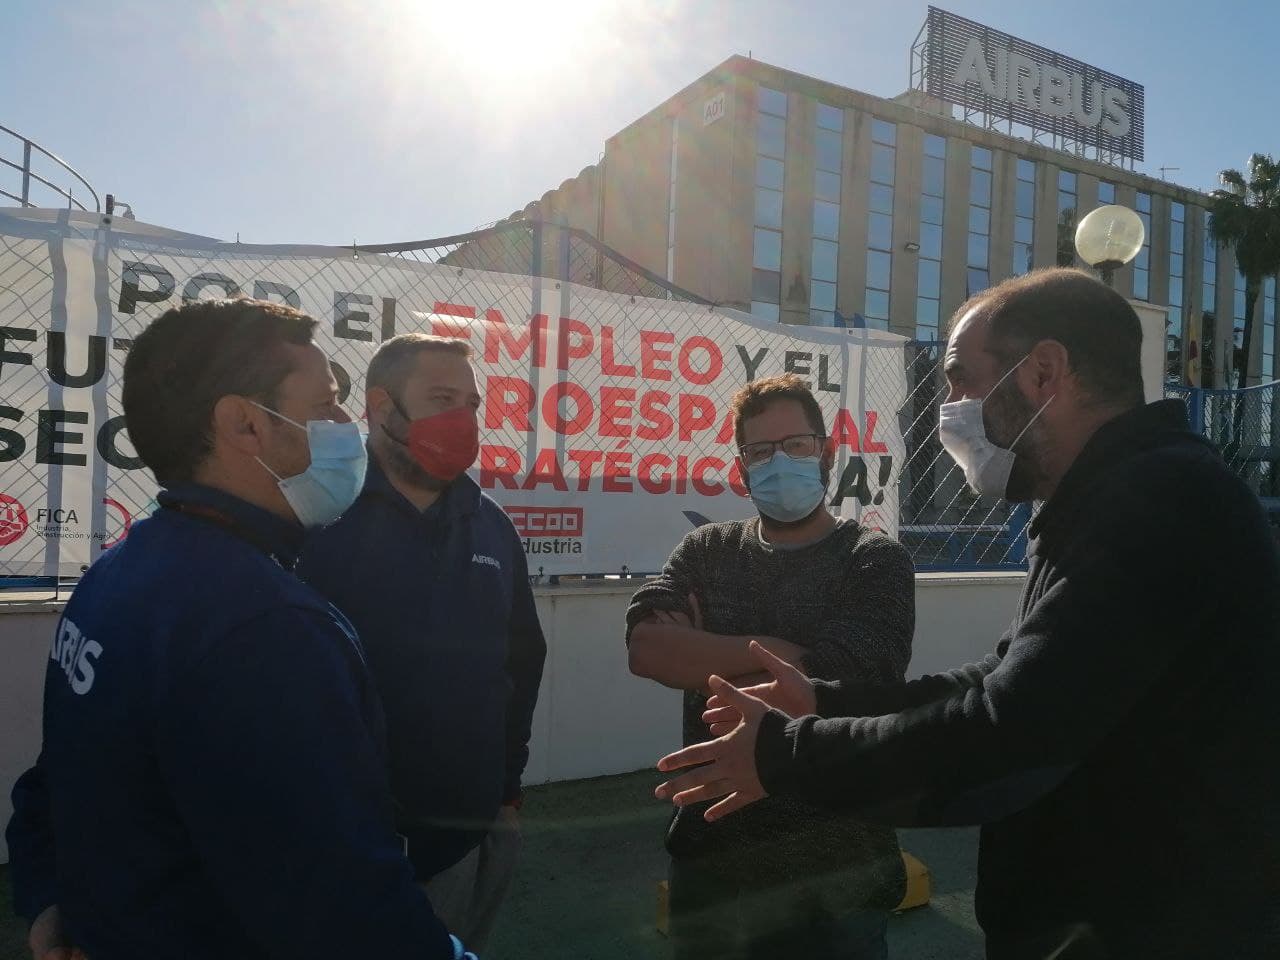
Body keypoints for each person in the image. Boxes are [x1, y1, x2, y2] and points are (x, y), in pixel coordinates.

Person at [654, 269, 1280, 960]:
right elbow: (1001, 679)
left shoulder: (1161, 501)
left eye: (961, 379)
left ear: (1044, 372)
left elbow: (1007, 733)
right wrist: (825, 702)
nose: (948, 407)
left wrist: (783, 754)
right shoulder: (1108, 500)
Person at [5, 299, 477, 960]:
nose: (346, 425)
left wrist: (52, 899)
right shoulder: (266, 626)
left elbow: (53, 788)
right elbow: (343, 908)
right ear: (246, 424)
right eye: (325, 405)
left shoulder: (119, 571)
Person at [626, 373, 915, 960]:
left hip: (839, 864)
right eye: (761, 451)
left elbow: (854, 677)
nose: (779, 462)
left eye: (797, 445)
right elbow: (648, 649)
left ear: (826, 452)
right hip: (714, 859)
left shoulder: (874, 559)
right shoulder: (706, 550)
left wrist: (707, 648)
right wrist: (780, 651)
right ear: (742, 466)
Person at [297, 334, 546, 950]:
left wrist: (506, 791)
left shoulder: (490, 522)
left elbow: (521, 660)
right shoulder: (318, 519)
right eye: (441, 398)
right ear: (381, 408)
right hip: (345, 848)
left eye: (471, 402)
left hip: (470, 831)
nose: (462, 418)